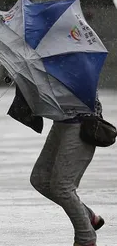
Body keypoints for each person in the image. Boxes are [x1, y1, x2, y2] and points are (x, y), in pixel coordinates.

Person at [30, 97, 105, 246]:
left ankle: (86, 239)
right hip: (61, 123)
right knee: (40, 179)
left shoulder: (79, 74)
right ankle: (89, 217)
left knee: (62, 187)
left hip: (81, 124)